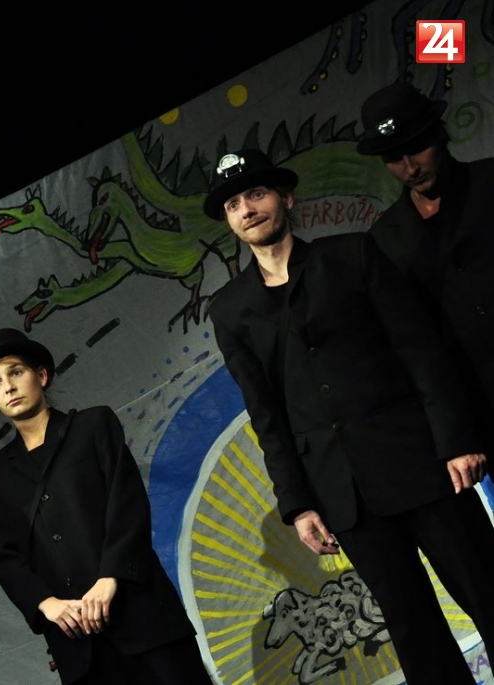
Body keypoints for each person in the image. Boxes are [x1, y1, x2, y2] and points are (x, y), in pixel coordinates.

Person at [203, 149, 494, 685]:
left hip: (423, 462)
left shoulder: (352, 255)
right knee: (413, 630)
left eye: (257, 194)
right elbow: (266, 415)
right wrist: (297, 504)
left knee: (487, 588)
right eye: (233, 204)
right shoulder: (230, 309)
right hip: (343, 491)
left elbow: (420, 351)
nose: (247, 209)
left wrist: (456, 439)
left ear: (286, 198)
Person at [0, 329, 212, 685]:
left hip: (143, 619)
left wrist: (110, 576)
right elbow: (4, 555)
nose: (8, 387)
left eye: (16, 372)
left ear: (41, 375)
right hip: (78, 643)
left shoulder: (93, 425)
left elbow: (127, 505)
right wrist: (46, 603)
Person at [355, 82, 494, 456]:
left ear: (440, 133)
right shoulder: (384, 238)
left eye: (416, 147)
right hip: (477, 411)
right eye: (393, 158)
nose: (410, 168)